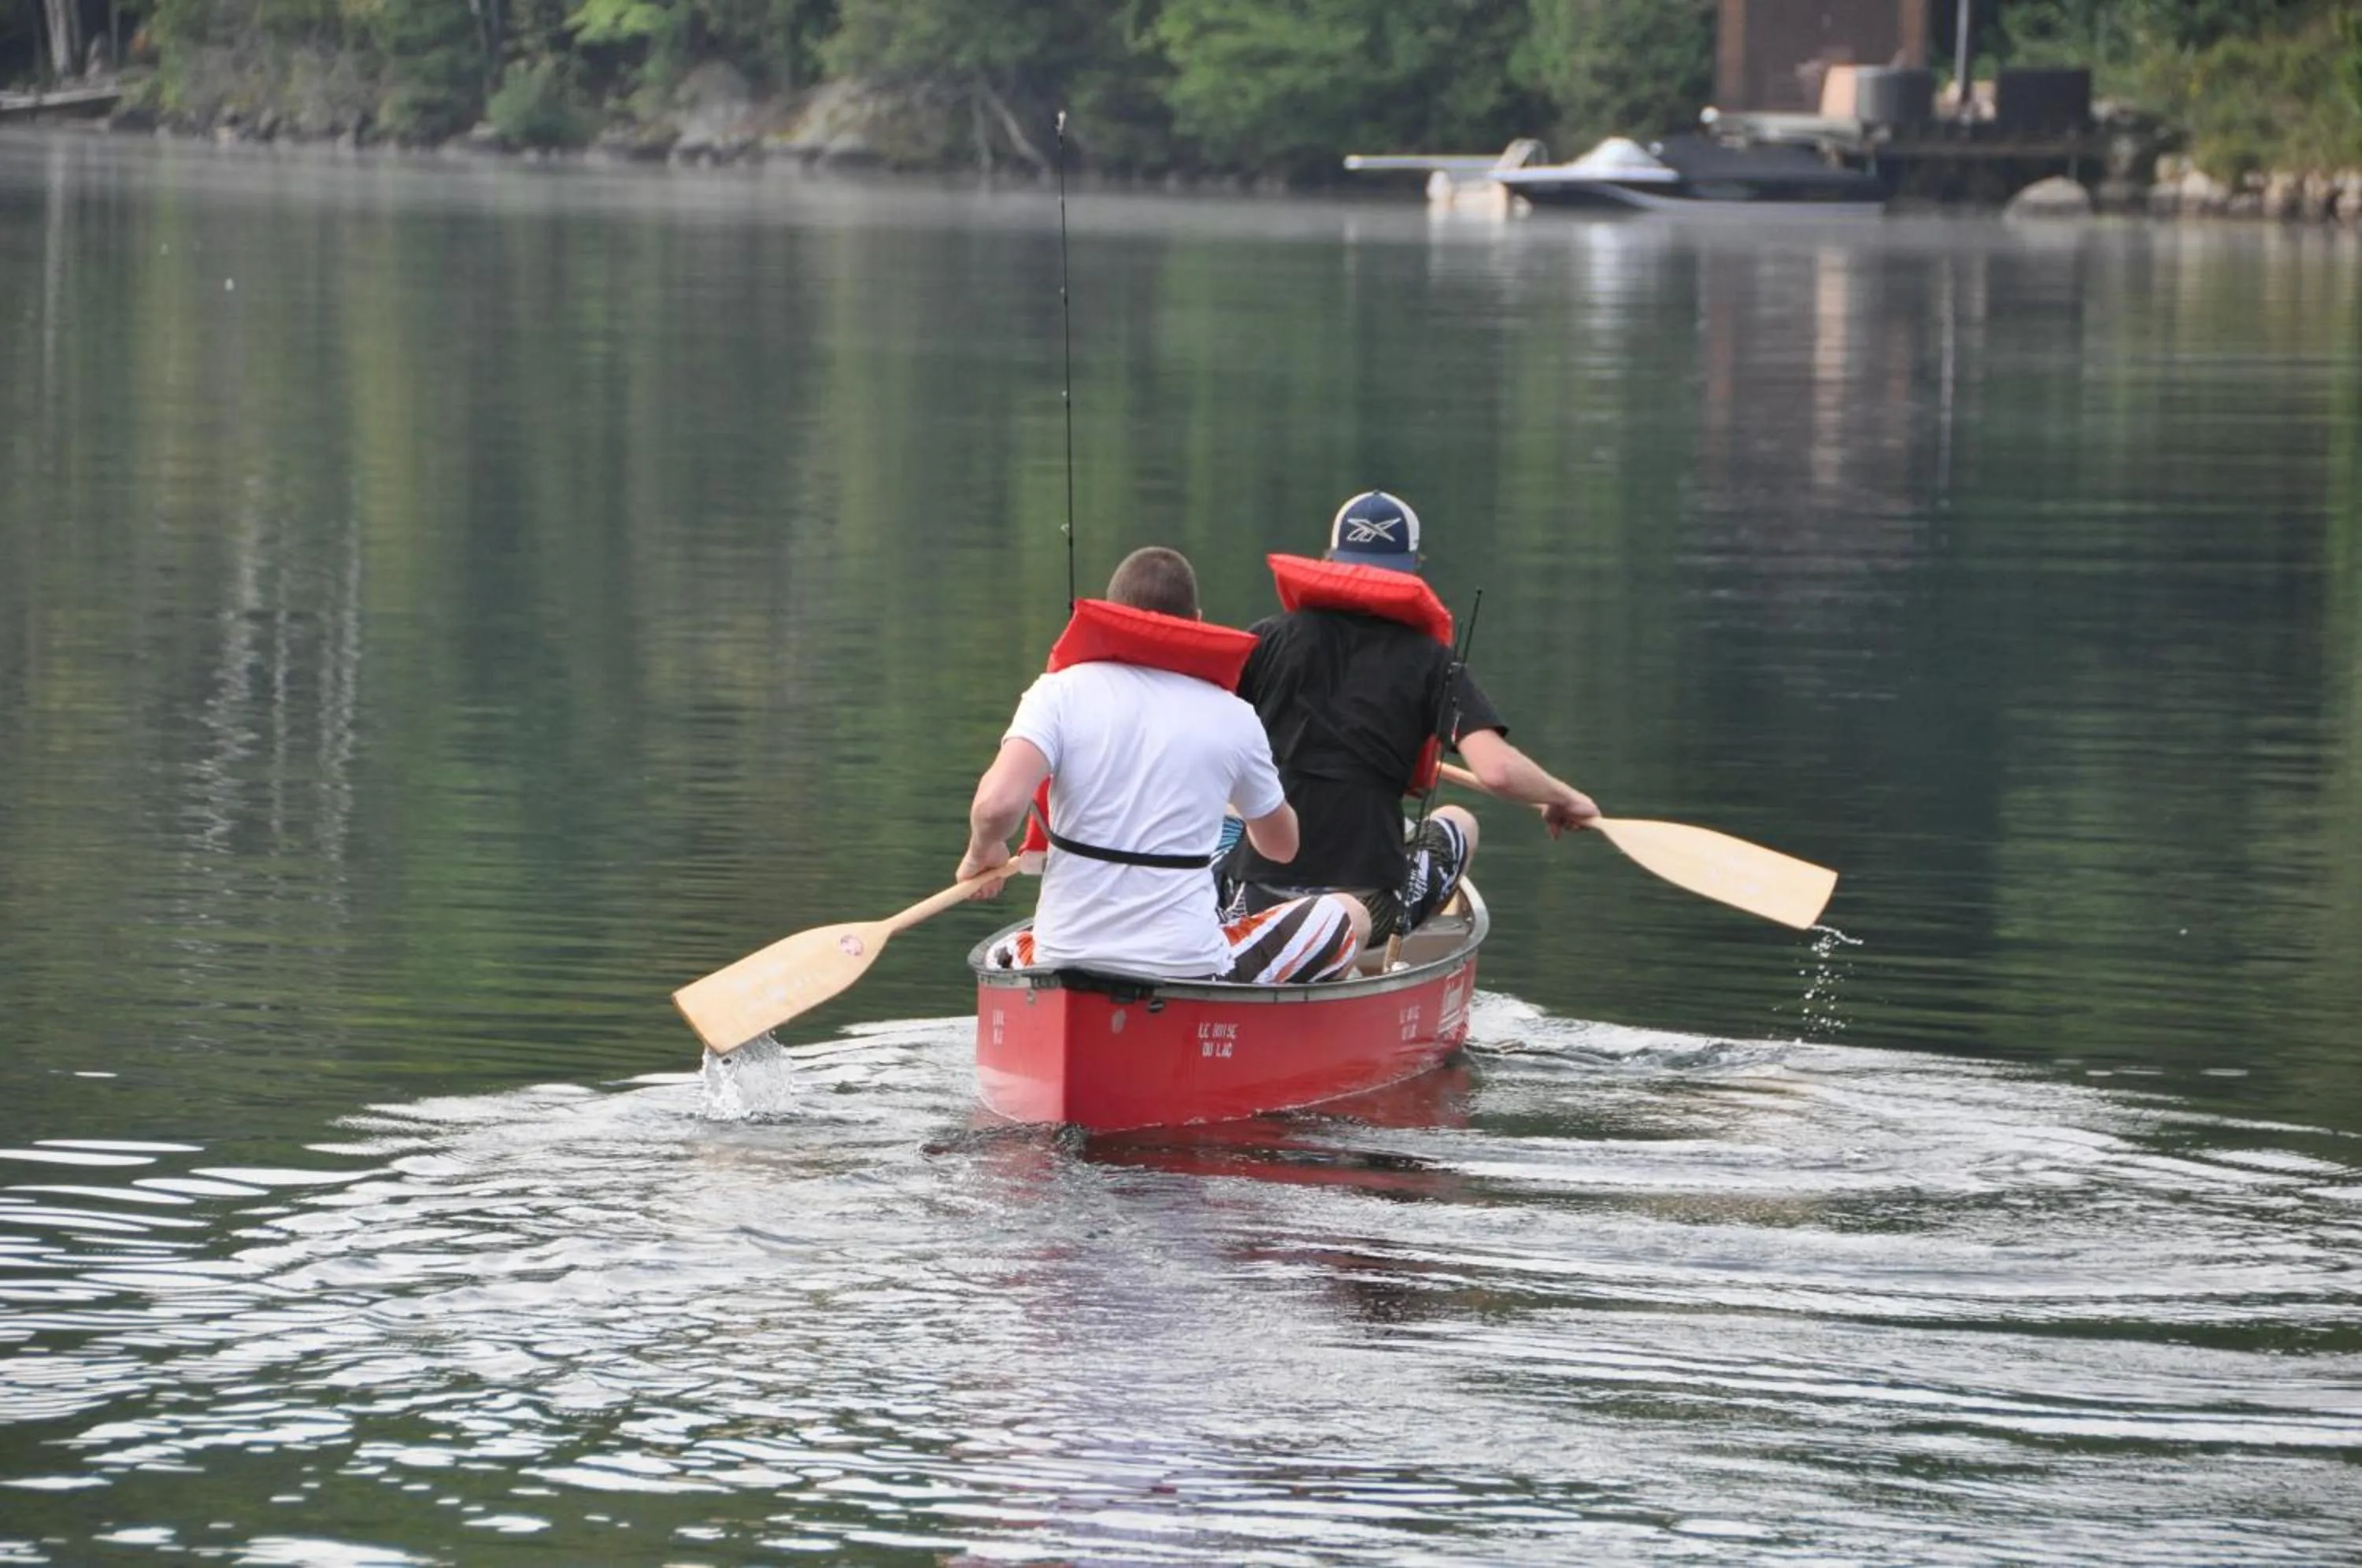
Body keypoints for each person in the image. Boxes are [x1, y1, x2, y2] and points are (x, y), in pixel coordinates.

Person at [960, 546, 1370, 983]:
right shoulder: (1233, 716)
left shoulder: (1055, 692)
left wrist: (981, 852)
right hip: (1187, 966)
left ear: (1113, 614)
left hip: (1062, 955)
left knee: (1004, 951)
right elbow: (1281, 848)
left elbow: (995, 808)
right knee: (1350, 914)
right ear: (1196, 620)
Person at [1224, 490, 1600, 945]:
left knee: (1229, 809)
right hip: (1367, 907)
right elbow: (1498, 770)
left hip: (1256, 896)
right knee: (1460, 821)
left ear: (1330, 560)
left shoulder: (1266, 640)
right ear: (1412, 570)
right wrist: (1562, 795)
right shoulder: (1432, 662)